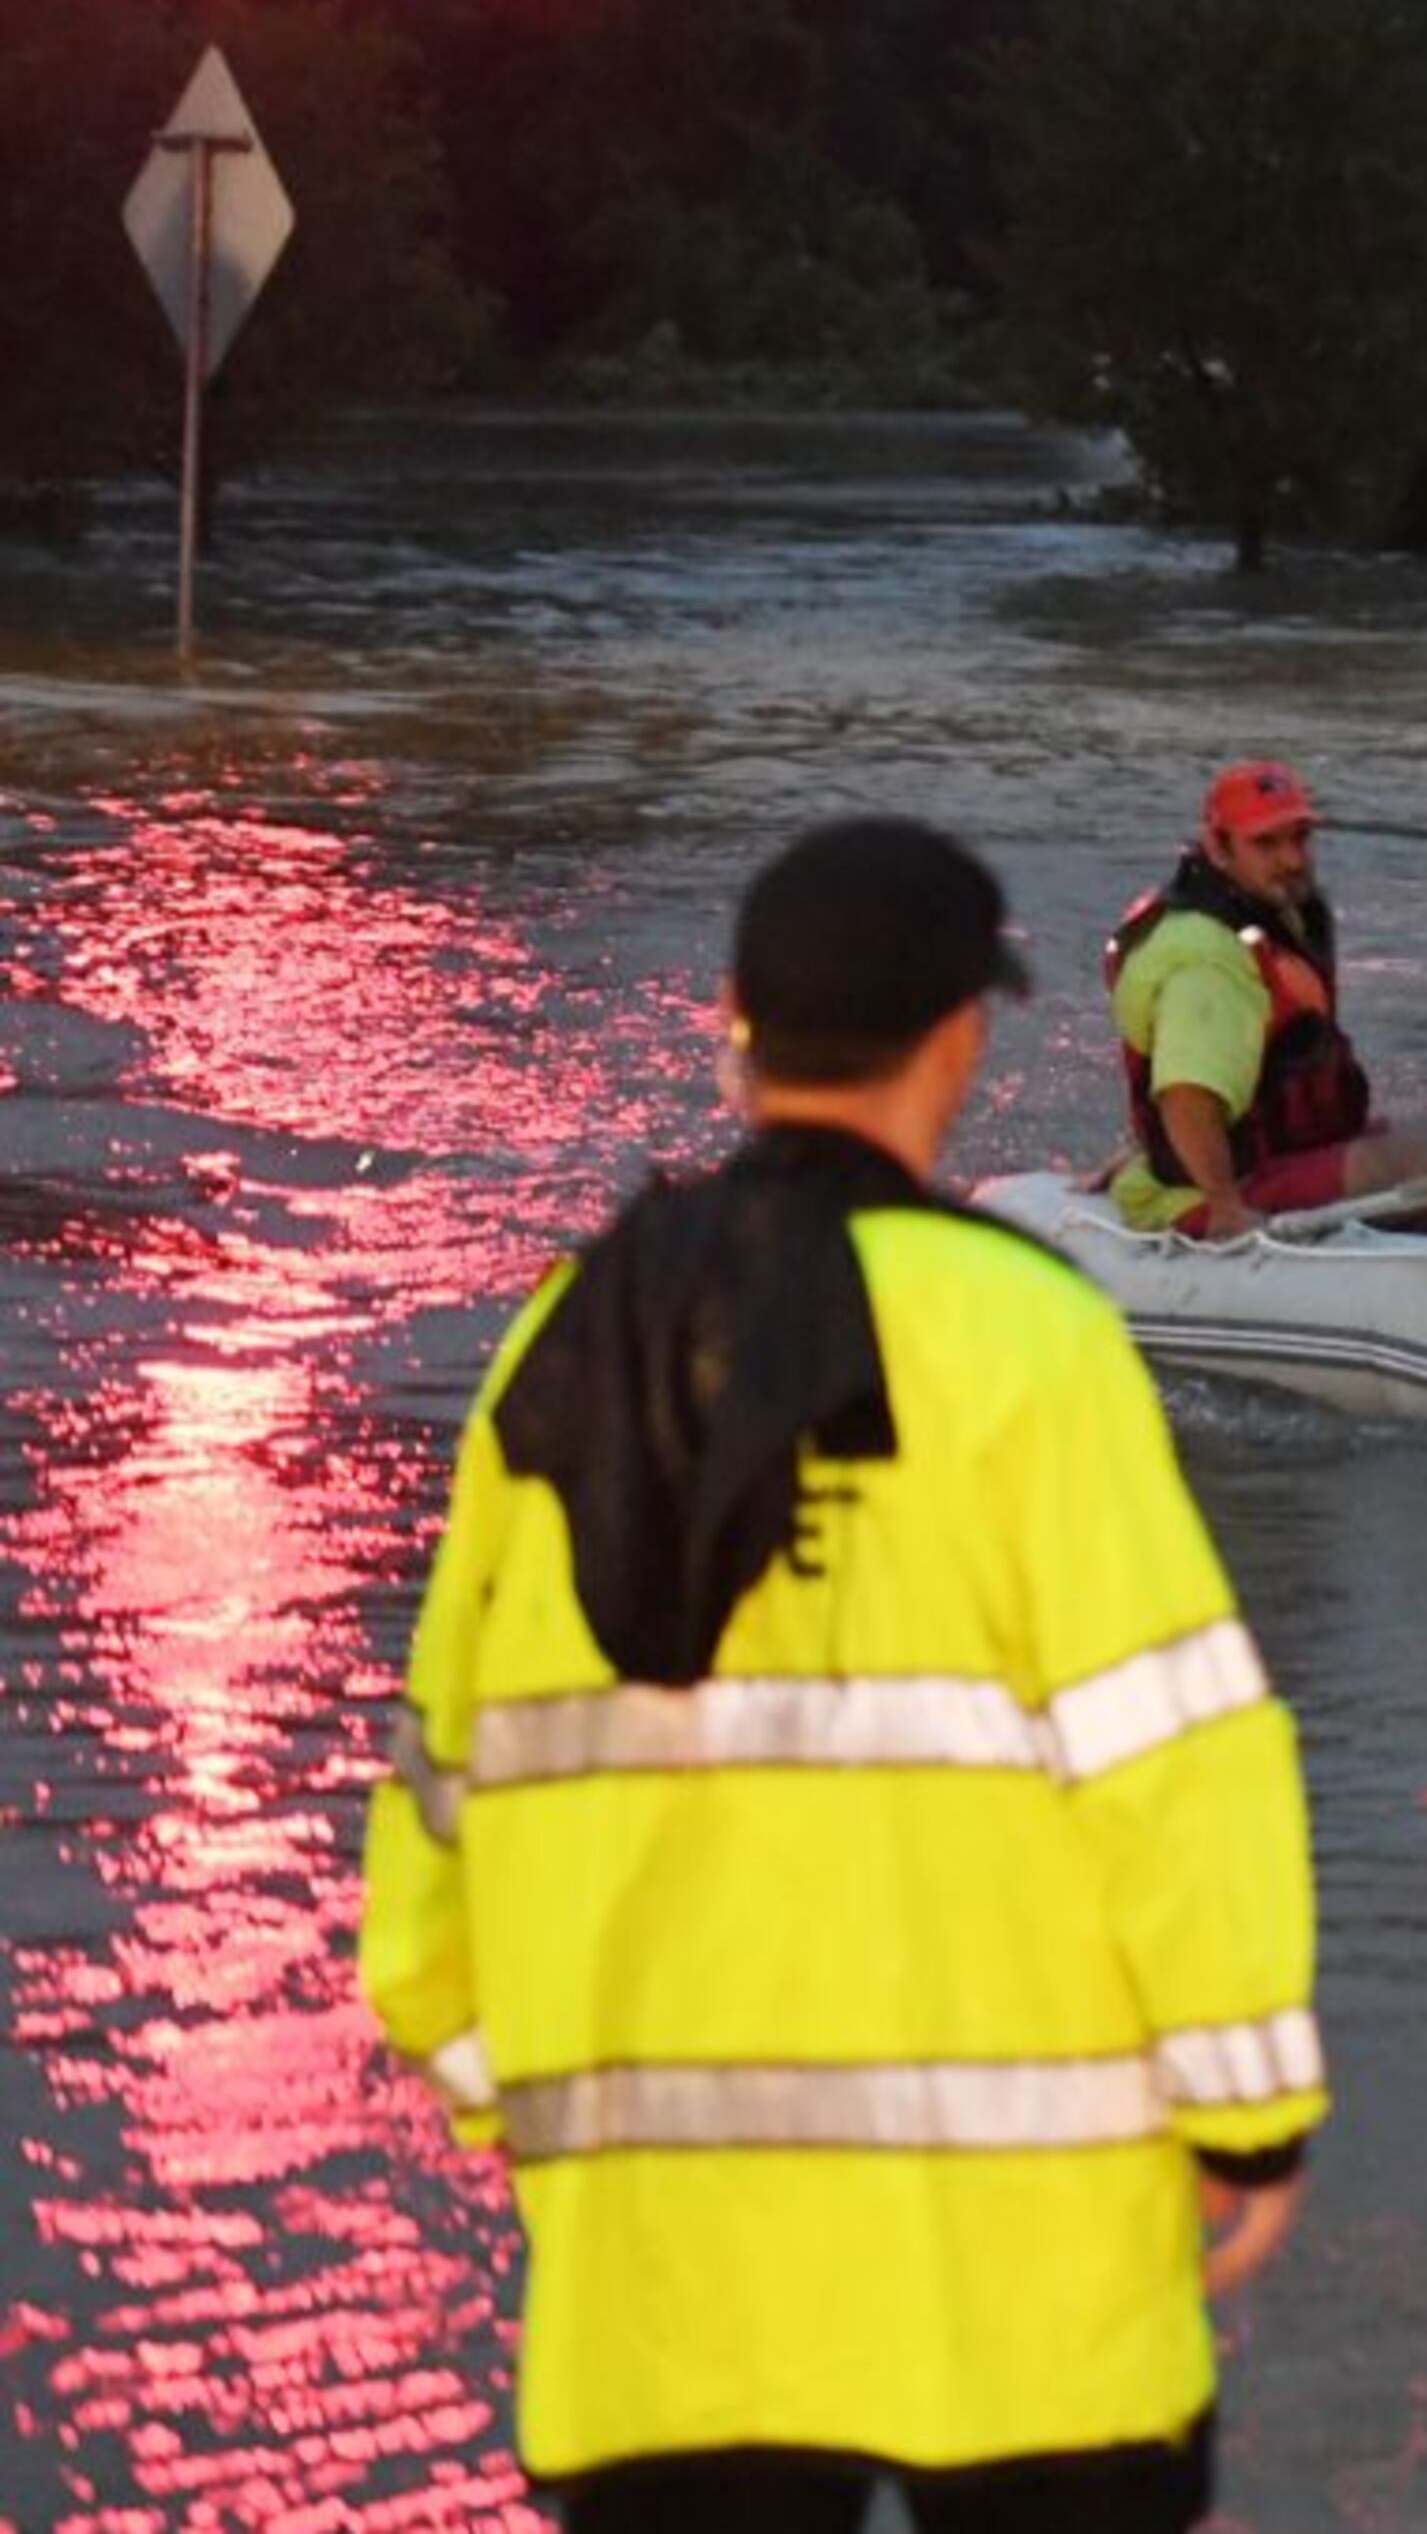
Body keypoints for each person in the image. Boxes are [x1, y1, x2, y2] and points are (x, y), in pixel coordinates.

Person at [359, 818, 1327, 2533]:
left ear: (734, 1016)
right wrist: (1248, 2108)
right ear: (963, 1034)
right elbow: (1177, 1762)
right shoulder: (1029, 1337)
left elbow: (446, 1779)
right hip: (1022, 2276)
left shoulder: (570, 1334)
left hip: (660, 2282)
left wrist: (491, 2089)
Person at [1106, 758, 1427, 1239]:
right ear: (1218, 849)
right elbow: (1187, 1096)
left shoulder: (1274, 912)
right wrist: (1226, 1209)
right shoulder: (1206, 959)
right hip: (1216, 1189)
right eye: (1266, 843)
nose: (1292, 859)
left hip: (1288, 1152)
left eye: (1300, 838)